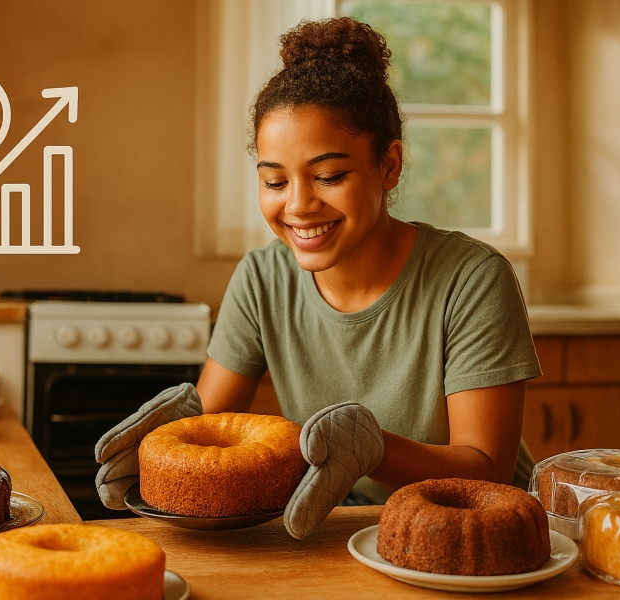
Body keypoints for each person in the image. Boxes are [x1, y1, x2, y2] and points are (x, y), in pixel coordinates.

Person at [96, 16, 541, 539]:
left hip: (474, 531)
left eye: (329, 176)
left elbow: (486, 469)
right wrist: (168, 446)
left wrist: (375, 448)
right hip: (343, 525)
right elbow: (212, 430)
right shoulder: (263, 278)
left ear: (389, 165)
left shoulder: (472, 280)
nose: (299, 205)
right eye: (275, 180)